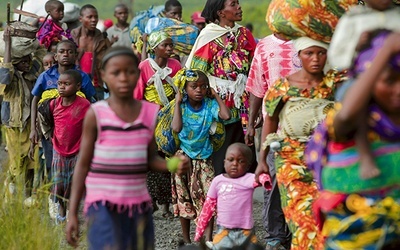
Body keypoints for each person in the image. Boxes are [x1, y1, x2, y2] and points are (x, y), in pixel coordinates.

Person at [65, 47, 189, 249]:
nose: (123, 78)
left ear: (138, 75)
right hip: (102, 204)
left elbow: (149, 159)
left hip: (138, 206)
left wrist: (172, 165)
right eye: (116, 73)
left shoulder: (149, 114)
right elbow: (83, 165)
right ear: (104, 76)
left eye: (130, 72)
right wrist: (72, 214)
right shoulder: (96, 114)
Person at [308, 30, 400, 249]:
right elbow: (347, 115)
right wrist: (386, 50)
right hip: (354, 238)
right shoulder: (355, 121)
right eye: (389, 80)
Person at [255, 37, 344, 250]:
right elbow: (271, 120)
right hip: (291, 160)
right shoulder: (283, 88)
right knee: (302, 221)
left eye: (321, 53)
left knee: (328, 218)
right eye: (309, 54)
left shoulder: (335, 84)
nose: (315, 59)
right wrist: (262, 159)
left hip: (328, 160)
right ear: (299, 56)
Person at [186, 0, 257, 175]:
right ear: (220, 12)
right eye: (233, 4)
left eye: (238, 3)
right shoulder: (208, 36)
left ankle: (240, 192)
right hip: (218, 105)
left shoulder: (244, 34)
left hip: (243, 104)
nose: (239, 7)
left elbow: (256, 66)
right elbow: (196, 73)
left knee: (243, 151)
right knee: (221, 152)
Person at [245, 32, 301, 250]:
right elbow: (257, 87)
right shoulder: (264, 46)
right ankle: (275, 236)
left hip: (305, 131)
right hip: (274, 129)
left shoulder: (307, 42)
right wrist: (251, 123)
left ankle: (298, 234)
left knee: (300, 185)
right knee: (273, 183)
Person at [171, 68, 231, 244]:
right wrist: (176, 103)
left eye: (203, 87)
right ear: (185, 89)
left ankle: (208, 237)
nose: (199, 90)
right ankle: (186, 239)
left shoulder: (210, 106)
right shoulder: (182, 107)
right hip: (183, 157)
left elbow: (226, 115)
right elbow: (176, 128)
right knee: (184, 197)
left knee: (209, 196)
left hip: (204, 157)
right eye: (194, 86)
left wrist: (216, 96)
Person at [30, 40, 96, 184]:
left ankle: (70, 197)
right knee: (50, 161)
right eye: (61, 52)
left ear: (75, 55)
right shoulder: (46, 76)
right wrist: (33, 129)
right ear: (55, 56)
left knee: (74, 164)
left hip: (73, 129)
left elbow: (90, 101)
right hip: (49, 128)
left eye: (70, 51)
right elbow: (35, 100)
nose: (65, 54)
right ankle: (54, 198)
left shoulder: (82, 77)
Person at [134, 31, 181, 218]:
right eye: (165, 45)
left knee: (168, 158)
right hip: (150, 119)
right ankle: (152, 201)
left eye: (171, 45)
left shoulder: (176, 65)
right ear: (154, 48)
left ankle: (167, 205)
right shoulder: (144, 67)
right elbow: (138, 95)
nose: (169, 49)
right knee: (151, 159)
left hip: (170, 118)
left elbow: (180, 90)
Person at [194, 143, 271, 249]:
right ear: (224, 162)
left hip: (246, 231)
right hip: (224, 230)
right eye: (231, 160)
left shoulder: (249, 178)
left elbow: (262, 178)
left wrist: (265, 180)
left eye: (241, 161)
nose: (235, 164)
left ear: (248, 165)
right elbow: (208, 207)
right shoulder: (217, 181)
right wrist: (199, 230)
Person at [0, 26, 42, 199]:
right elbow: (6, 71)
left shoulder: (32, 74)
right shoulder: (8, 78)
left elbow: (39, 55)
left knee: (33, 161)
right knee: (17, 161)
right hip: (14, 125)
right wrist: (8, 43)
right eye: (22, 61)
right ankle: (8, 181)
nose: (27, 63)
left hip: (31, 124)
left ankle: (28, 195)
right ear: (15, 62)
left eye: (28, 60)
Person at [50, 69, 90, 223]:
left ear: (78, 86)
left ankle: (73, 212)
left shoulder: (84, 105)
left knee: (75, 181)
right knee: (58, 182)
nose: (62, 87)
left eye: (67, 84)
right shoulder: (53, 103)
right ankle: (61, 208)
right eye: (59, 84)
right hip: (58, 149)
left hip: (78, 149)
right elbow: (47, 121)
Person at [71, 4, 111, 100]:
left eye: (96, 17)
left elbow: (110, 60)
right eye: (89, 17)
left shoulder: (102, 38)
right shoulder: (73, 36)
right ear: (81, 19)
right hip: (76, 84)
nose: (93, 20)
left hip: (97, 84)